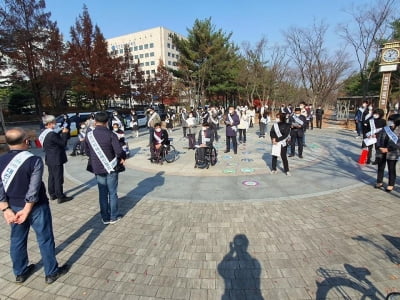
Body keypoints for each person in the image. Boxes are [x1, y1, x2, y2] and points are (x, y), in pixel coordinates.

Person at [0, 128, 69, 284]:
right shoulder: (34, 160)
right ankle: (51, 273)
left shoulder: (1, 161)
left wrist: (5, 209)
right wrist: (27, 209)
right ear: (25, 142)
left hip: (14, 208)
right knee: (45, 239)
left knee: (17, 240)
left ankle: (20, 273)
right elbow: (34, 187)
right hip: (37, 207)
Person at [85, 111, 126, 225]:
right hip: (111, 167)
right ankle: (114, 216)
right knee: (112, 193)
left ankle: (105, 217)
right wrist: (123, 157)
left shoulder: (89, 135)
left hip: (97, 168)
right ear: (107, 122)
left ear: (95, 121)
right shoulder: (111, 134)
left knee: (102, 193)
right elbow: (119, 151)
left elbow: (87, 151)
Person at [38, 115, 72, 204]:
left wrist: (61, 131)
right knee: (58, 177)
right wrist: (64, 133)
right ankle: (60, 196)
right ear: (49, 124)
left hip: (49, 158)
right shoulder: (51, 134)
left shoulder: (44, 133)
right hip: (56, 158)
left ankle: (52, 194)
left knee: (52, 176)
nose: (55, 123)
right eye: (54, 122)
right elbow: (62, 143)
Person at [375, 114, 400, 192]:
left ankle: (391, 184)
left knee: (391, 169)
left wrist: (388, 149)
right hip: (381, 151)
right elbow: (378, 138)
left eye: (391, 120)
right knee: (380, 167)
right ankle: (379, 181)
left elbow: (398, 143)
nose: (389, 122)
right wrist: (379, 147)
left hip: (392, 153)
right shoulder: (385, 129)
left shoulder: (399, 130)